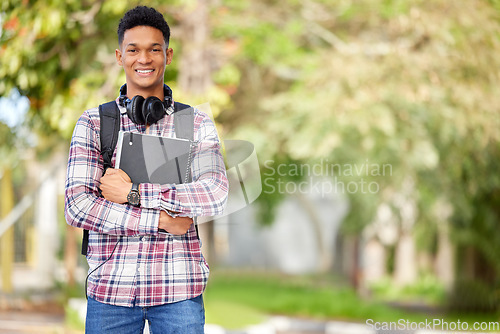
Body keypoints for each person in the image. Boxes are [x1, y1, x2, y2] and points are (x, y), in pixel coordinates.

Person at [64, 6, 228, 333]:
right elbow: (78, 207)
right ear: (119, 56)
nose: (144, 59)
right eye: (133, 49)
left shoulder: (195, 123)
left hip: (179, 292)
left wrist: (133, 194)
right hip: (112, 291)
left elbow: (216, 193)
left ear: (168, 55)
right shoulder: (95, 124)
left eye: (154, 49)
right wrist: (162, 220)